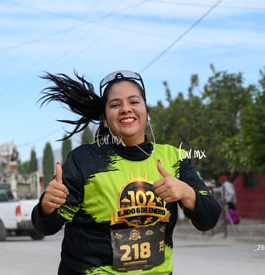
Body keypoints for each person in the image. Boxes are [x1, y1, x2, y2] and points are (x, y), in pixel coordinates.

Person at [31, 70, 222, 275]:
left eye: (134, 102)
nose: (125, 109)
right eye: (115, 105)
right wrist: (46, 206)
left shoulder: (174, 159)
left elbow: (209, 219)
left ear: (147, 113)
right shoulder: (83, 160)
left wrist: (187, 193)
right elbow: (46, 227)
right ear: (104, 119)